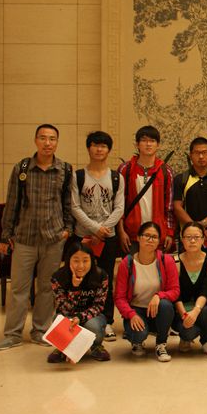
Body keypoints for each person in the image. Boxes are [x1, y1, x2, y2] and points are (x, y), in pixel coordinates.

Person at [0, 124, 74, 351]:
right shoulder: (22, 168)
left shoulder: (65, 170)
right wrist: (5, 235)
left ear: (57, 142)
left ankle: (41, 331)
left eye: (52, 139)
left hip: (53, 238)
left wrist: (67, 229)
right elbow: (12, 203)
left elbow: (68, 203)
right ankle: (13, 334)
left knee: (47, 288)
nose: (48, 143)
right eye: (43, 138)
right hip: (24, 239)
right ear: (36, 140)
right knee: (19, 289)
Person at [70, 130, 125, 341]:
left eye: (103, 146)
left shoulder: (116, 177)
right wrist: (94, 228)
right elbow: (75, 207)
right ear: (88, 148)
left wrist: (103, 229)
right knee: (80, 277)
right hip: (82, 238)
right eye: (95, 145)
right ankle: (79, 319)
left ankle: (107, 321)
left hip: (107, 238)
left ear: (108, 150)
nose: (99, 149)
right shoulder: (78, 176)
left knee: (105, 278)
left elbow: (119, 207)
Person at [114, 221, 180, 362]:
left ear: (159, 241)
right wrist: (131, 314)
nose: (150, 240)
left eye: (154, 237)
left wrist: (158, 295)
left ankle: (161, 344)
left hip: (157, 310)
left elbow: (175, 290)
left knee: (166, 305)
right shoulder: (127, 263)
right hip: (136, 310)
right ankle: (137, 342)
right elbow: (119, 297)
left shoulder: (166, 260)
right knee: (138, 334)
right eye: (146, 236)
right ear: (138, 238)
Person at [48, 243, 110, 363]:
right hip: (68, 316)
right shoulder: (57, 277)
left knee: (93, 326)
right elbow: (65, 309)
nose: (81, 266)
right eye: (76, 261)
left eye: (85, 261)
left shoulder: (101, 276)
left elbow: (99, 306)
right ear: (68, 260)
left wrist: (80, 317)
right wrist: (74, 288)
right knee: (59, 320)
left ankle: (96, 346)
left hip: (92, 316)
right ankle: (63, 347)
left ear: (92, 261)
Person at [117, 126, 175, 252]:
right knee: (131, 265)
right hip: (131, 235)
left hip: (157, 235)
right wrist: (121, 231)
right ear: (137, 144)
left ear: (158, 145)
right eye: (144, 140)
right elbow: (119, 204)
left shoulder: (166, 171)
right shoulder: (125, 169)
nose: (148, 144)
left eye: (152, 141)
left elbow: (169, 206)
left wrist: (170, 233)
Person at [173, 137, 207, 252]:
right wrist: (195, 228)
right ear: (190, 155)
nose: (201, 156)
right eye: (197, 153)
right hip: (188, 235)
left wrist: (204, 223)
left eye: (205, 152)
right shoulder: (181, 179)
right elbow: (177, 207)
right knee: (187, 263)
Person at [174, 221, 207, 356]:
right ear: (182, 239)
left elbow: (206, 290)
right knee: (188, 332)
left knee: (206, 310)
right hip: (181, 309)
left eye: (196, 237)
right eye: (188, 237)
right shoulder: (175, 262)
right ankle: (185, 338)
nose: (192, 241)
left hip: (201, 308)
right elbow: (175, 292)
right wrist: (184, 314)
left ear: (203, 239)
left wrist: (195, 311)